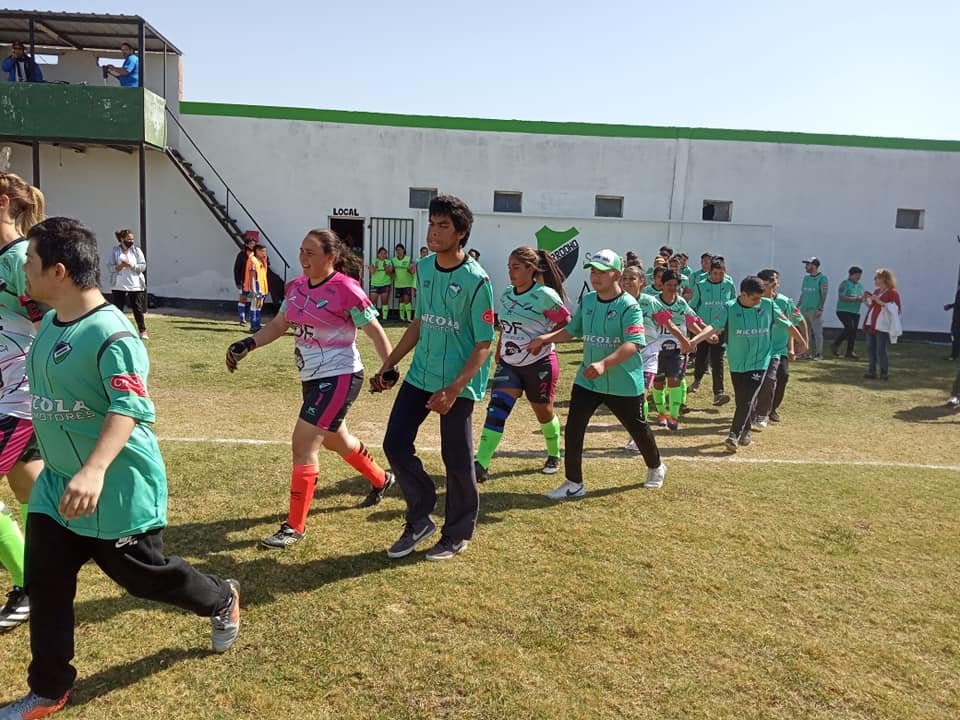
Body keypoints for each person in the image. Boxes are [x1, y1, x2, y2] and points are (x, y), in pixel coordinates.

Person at [1, 217, 240, 720]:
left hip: (111, 489)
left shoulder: (113, 334)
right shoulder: (46, 324)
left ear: (59, 271)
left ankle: (221, 597)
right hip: (57, 490)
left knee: (145, 580)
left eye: (30, 261)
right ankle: (48, 689)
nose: (22, 267)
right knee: (46, 583)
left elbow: (127, 408)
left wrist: (94, 470)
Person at [227, 229, 397, 549]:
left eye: (311, 253)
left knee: (303, 442)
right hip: (312, 377)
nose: (303, 258)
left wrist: (389, 368)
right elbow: (279, 325)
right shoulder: (295, 288)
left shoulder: (346, 290)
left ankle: (294, 526)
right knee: (337, 440)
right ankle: (381, 478)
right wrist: (248, 343)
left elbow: (374, 331)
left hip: (341, 375)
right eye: (301, 251)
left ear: (330, 257)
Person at [375, 195, 494, 562]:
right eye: (432, 223)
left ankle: (457, 533)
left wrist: (455, 388)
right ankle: (421, 514)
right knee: (394, 444)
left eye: (444, 226)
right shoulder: (423, 269)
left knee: (456, 461)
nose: (434, 231)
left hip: (457, 384)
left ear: (461, 234)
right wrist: (388, 364)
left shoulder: (477, 281)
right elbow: (419, 323)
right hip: (421, 375)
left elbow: (484, 343)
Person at [528, 249, 667, 496]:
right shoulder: (589, 301)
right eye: (593, 271)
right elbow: (573, 330)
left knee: (638, 429)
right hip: (588, 380)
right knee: (574, 428)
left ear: (616, 274)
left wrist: (604, 364)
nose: (595, 276)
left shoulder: (629, 306)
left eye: (602, 272)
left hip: (622, 382)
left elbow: (633, 343)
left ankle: (656, 466)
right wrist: (546, 338)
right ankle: (574, 483)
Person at [473, 247, 571, 482]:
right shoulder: (507, 294)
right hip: (510, 363)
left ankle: (554, 454)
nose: (511, 273)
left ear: (531, 269)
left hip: (540, 363)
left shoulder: (545, 295)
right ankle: (481, 464)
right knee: (496, 411)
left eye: (516, 268)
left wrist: (544, 339)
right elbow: (505, 326)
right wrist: (499, 348)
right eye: (509, 268)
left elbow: (568, 326)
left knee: (543, 413)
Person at [0, 173, 45, 636]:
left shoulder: (18, 259)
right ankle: (45, 577)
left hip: (18, 398)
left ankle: (31, 586)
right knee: (30, 487)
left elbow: (51, 321)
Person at [690, 276, 806, 453]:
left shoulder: (768, 305)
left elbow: (787, 324)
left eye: (760, 297)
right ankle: (746, 429)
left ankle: (733, 436)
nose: (758, 301)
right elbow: (713, 326)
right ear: (743, 295)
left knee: (747, 398)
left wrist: (802, 342)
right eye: (754, 298)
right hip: (737, 361)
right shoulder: (729, 307)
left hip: (760, 361)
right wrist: (696, 340)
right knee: (741, 399)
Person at [752, 269, 807, 429]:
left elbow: (798, 321)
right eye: (769, 282)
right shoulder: (754, 301)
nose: (774, 284)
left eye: (775, 281)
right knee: (762, 381)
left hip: (778, 350)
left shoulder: (784, 302)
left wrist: (803, 343)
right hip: (759, 349)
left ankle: (771, 409)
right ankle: (756, 409)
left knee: (782, 377)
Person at [646, 270, 700, 431]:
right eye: (669, 285)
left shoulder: (681, 303)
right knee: (658, 383)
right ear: (661, 285)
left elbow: (691, 321)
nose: (672, 288)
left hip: (677, 349)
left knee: (675, 381)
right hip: (657, 349)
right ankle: (661, 414)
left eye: (675, 285)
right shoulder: (653, 302)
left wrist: (702, 335)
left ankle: (674, 417)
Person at [688, 259, 735, 405]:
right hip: (703, 329)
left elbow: (733, 305)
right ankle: (696, 380)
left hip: (720, 330)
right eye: (715, 273)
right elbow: (692, 307)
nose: (718, 276)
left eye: (721, 273)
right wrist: (699, 326)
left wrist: (725, 325)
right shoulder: (701, 286)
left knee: (717, 360)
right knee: (701, 356)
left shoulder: (728, 285)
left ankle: (718, 393)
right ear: (710, 272)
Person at [862, 268, 902, 381]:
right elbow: (872, 306)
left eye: (877, 278)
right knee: (870, 348)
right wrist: (867, 300)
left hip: (882, 325)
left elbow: (895, 309)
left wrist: (881, 302)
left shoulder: (892, 292)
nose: (875, 280)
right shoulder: (877, 291)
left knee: (880, 349)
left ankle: (884, 372)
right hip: (872, 323)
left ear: (884, 279)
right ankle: (872, 371)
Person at [109, 229, 148, 340]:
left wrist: (132, 265)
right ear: (122, 239)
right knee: (118, 309)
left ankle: (142, 330)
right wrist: (120, 266)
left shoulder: (137, 251)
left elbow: (143, 266)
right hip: (119, 284)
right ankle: (117, 331)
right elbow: (110, 267)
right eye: (128, 239)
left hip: (135, 285)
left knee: (137, 308)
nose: (131, 241)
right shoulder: (115, 251)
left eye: (132, 239)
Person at [798, 257, 828, 360]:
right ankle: (806, 353)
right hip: (804, 309)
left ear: (814, 265)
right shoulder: (806, 278)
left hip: (814, 310)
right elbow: (803, 293)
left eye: (807, 264)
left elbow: (824, 294)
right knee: (805, 332)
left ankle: (819, 354)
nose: (805, 267)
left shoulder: (822, 278)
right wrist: (797, 306)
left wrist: (820, 308)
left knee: (817, 333)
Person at [832, 266, 864, 358]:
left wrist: (864, 299)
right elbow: (842, 297)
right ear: (851, 275)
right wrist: (856, 299)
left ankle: (850, 351)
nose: (858, 278)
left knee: (853, 331)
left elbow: (861, 297)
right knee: (849, 328)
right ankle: (836, 344)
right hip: (843, 311)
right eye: (856, 275)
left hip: (855, 312)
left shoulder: (860, 286)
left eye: (859, 276)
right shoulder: (845, 284)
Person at [243, 244, 269, 332]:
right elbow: (252, 276)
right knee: (254, 305)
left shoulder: (261, 261)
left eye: (265, 251)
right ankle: (253, 325)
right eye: (263, 251)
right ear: (257, 250)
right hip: (257, 286)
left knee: (259, 306)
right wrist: (254, 290)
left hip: (262, 286)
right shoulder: (253, 260)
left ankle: (257, 324)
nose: (264, 253)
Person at [233, 235, 256, 324]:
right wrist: (238, 281)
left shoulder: (257, 254)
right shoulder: (241, 255)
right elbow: (236, 269)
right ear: (246, 244)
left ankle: (253, 318)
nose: (252, 246)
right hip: (244, 281)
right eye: (250, 244)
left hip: (254, 281)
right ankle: (242, 318)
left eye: (254, 244)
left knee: (255, 300)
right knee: (243, 299)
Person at [367, 247, 393, 322]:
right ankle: (373, 318)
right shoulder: (374, 261)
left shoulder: (388, 262)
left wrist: (386, 267)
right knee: (372, 301)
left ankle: (384, 318)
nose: (383, 255)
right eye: (381, 253)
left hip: (385, 283)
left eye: (385, 253)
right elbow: (372, 272)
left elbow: (390, 272)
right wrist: (375, 267)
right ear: (378, 254)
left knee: (384, 301)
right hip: (375, 284)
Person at [392, 244, 416, 323]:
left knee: (407, 300)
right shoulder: (394, 260)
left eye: (400, 249)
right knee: (401, 301)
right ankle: (402, 318)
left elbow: (412, 270)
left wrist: (411, 269)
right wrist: (392, 274)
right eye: (397, 250)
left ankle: (409, 318)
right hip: (398, 283)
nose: (399, 251)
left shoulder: (408, 259)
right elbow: (391, 271)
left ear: (403, 250)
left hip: (407, 283)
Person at [945, 281, 960, 361]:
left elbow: (958, 304)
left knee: (955, 336)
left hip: (957, 319)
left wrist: (950, 306)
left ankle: (954, 355)